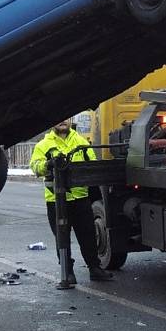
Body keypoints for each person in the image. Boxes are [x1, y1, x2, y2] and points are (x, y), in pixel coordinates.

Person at [30, 119, 112, 284]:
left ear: (71, 121)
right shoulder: (43, 145)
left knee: (88, 235)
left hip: (80, 199)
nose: (62, 121)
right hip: (57, 201)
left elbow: (92, 165)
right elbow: (35, 167)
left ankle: (94, 268)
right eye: (58, 118)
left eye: (66, 118)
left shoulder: (81, 142)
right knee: (62, 238)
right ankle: (67, 272)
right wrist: (48, 164)